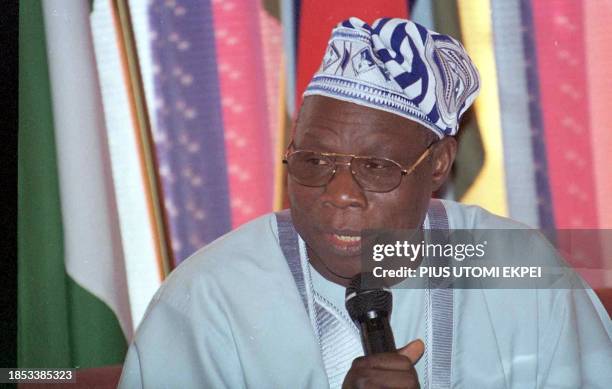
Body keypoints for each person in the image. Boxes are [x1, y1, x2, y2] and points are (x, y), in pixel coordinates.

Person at [119, 17, 611, 388]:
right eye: (313, 161)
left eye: (376, 168)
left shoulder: (518, 269)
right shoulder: (208, 299)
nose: (339, 195)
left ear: (438, 164)